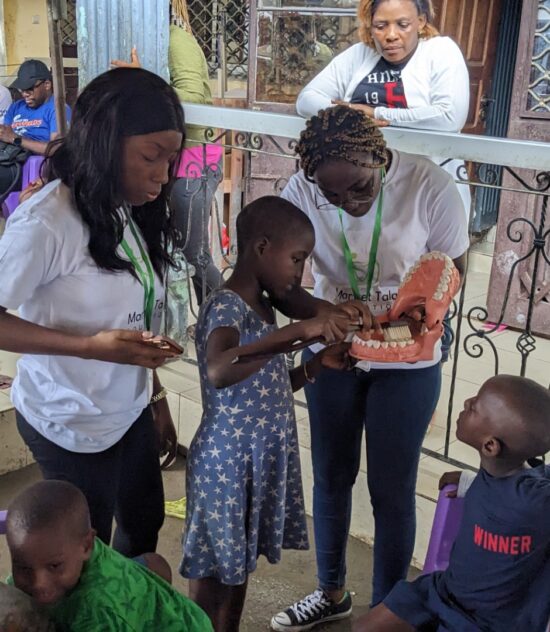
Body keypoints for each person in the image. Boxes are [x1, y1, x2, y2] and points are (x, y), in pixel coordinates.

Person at [270, 106, 469, 631]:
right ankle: (330, 592)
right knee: (331, 477)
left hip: (407, 361)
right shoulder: (300, 191)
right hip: (333, 348)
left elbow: (452, 273)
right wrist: (323, 314)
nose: (348, 203)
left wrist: (420, 312)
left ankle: (387, 610)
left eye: (360, 187)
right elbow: (283, 285)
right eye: (332, 196)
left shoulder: (429, 184)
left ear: (379, 155)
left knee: (391, 488)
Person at [0, 67, 185, 558]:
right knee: (88, 553)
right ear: (105, 145)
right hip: (68, 421)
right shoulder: (47, 223)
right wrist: (87, 347)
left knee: (144, 526)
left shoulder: (128, 205)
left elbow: (132, 316)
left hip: (127, 412)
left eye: (171, 158)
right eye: (151, 157)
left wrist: (154, 396)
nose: (163, 175)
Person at [180, 195, 358, 632]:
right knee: (213, 573)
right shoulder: (226, 305)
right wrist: (301, 330)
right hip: (225, 466)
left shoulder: (261, 306)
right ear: (261, 248)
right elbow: (221, 370)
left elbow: (265, 390)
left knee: (237, 568)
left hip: (252, 463)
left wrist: (313, 366)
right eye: (297, 259)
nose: (300, 275)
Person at [353, 375, 550, 632]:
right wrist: (468, 481)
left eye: (474, 407)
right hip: (441, 592)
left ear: (490, 445)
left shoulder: (535, 501)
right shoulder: (494, 472)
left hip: (489, 623)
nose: (466, 402)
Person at [295, 0, 470, 217]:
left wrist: (379, 114)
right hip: (362, 185)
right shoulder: (359, 55)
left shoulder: (439, 51)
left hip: (427, 182)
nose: (391, 35)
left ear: (421, 21)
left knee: (435, 251)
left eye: (402, 24)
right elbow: (306, 100)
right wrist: (353, 115)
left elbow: (449, 116)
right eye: (380, 26)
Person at [112, 0, 224, 305]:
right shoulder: (151, 42)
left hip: (194, 161)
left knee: (193, 252)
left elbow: (192, 99)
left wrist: (143, 81)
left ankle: (224, 318)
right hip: (169, 160)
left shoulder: (178, 41)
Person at [6, 480, 213, 631]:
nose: (38, 583)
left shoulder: (97, 612)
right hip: (170, 613)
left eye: (54, 566)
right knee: (151, 564)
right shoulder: (70, 545)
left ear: (86, 545)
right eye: (23, 567)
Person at [0, 60, 72, 195]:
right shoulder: (17, 106)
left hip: (27, 165)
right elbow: (6, 134)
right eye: (22, 89)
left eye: (29, 89)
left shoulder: (57, 109)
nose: (24, 94)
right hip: (8, 157)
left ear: (47, 85)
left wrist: (17, 139)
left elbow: (56, 149)